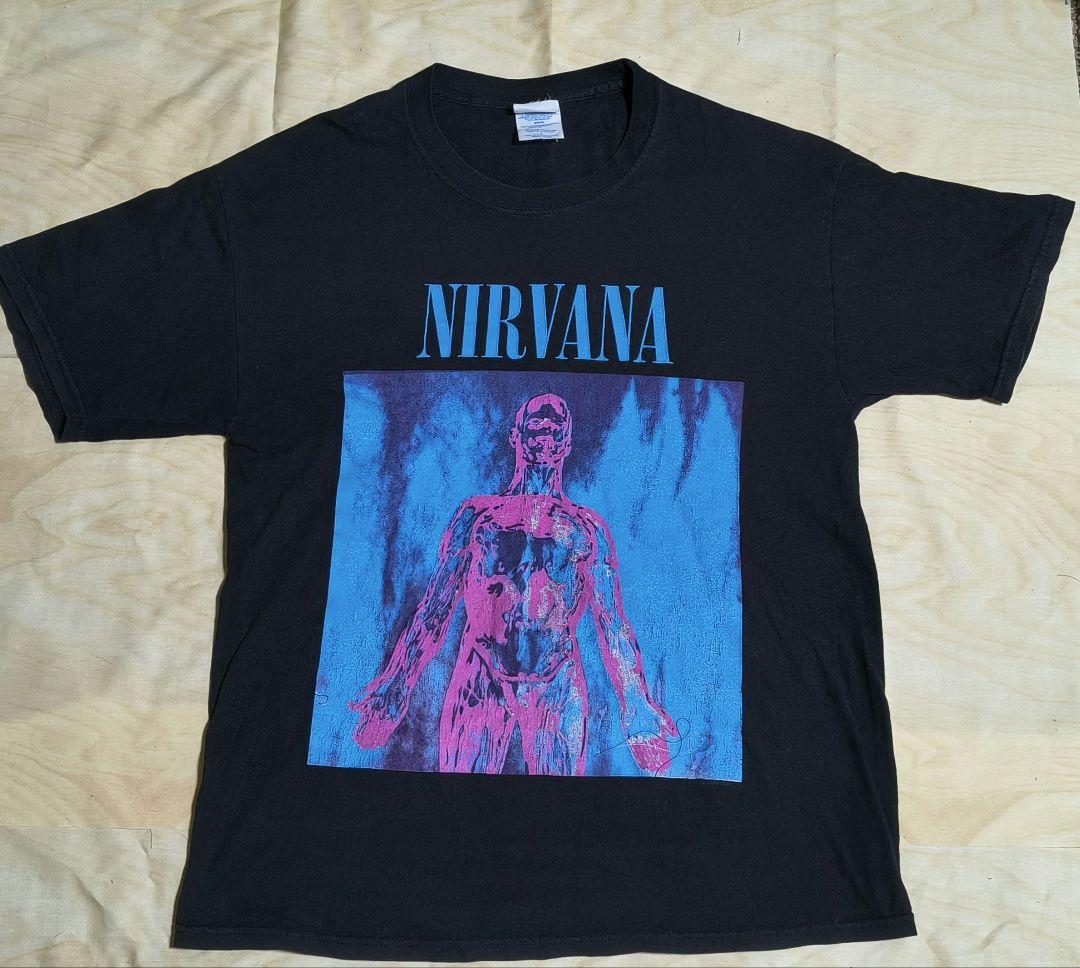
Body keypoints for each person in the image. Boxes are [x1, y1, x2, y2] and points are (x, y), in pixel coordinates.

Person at [349, 392, 677, 775]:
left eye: (555, 431)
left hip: (556, 678)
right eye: (536, 428)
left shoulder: (587, 529)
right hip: (481, 671)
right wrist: (396, 684)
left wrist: (637, 704)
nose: (545, 438)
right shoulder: (477, 517)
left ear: (567, 443)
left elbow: (613, 624)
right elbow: (435, 609)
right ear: (516, 436)